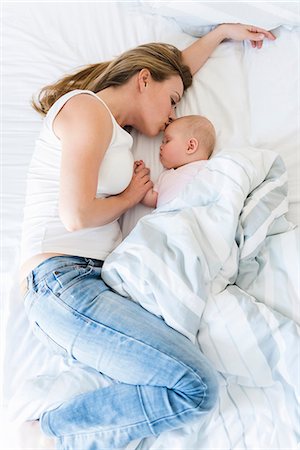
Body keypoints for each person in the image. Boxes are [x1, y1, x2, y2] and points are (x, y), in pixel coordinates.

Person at [20, 23, 276, 449]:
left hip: (90, 286)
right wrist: (130, 197)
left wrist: (219, 35)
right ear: (142, 80)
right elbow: (76, 214)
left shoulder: (118, 129)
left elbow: (172, 74)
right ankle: (43, 434)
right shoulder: (86, 110)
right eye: (173, 100)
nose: (174, 113)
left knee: (195, 383)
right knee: (196, 386)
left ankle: (55, 433)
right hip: (60, 282)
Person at [141, 115, 216, 208]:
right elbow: (152, 199)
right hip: (165, 218)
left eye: (167, 141)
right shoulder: (165, 176)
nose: (161, 146)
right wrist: (139, 180)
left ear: (190, 146)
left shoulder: (207, 168)